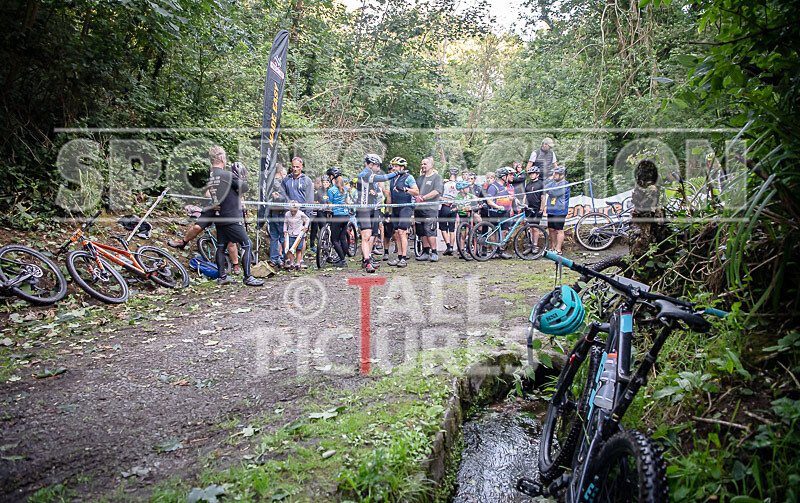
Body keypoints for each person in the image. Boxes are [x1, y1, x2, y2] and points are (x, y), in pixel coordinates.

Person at [205, 146, 263, 286]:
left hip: (219, 216)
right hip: (231, 216)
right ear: (222, 159)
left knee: (221, 245)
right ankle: (248, 276)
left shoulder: (211, 176)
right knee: (247, 244)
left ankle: (222, 276)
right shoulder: (227, 175)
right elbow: (245, 187)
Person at [354, 153, 398, 273]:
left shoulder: (371, 175)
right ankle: (367, 261)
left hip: (374, 208)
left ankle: (367, 258)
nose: (379, 168)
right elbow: (383, 178)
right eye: (377, 165)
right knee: (366, 235)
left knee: (373, 235)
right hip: (364, 209)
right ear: (371, 164)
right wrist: (397, 173)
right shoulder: (364, 174)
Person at [281, 157, 314, 266]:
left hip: (302, 213)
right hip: (289, 213)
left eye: (297, 167)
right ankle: (290, 260)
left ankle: (300, 259)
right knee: (288, 236)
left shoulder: (307, 180)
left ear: (301, 168)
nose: (295, 169)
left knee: (301, 236)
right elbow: (283, 194)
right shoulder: (286, 179)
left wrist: (308, 213)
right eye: (293, 166)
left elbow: (309, 197)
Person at [387, 157, 419, 267]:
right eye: (393, 166)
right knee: (396, 233)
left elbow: (416, 191)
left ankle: (404, 258)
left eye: (396, 166)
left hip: (406, 207)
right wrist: (388, 210)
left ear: (402, 167)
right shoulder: (392, 179)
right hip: (395, 207)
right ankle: (399, 256)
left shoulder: (408, 177)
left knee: (402, 231)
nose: (394, 168)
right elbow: (390, 195)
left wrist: (405, 189)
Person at [414, 157, 444, 262]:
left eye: (425, 164)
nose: (423, 166)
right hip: (418, 209)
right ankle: (425, 252)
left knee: (429, 231)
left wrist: (423, 198)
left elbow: (437, 191)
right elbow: (416, 191)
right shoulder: (419, 178)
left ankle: (434, 252)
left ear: (431, 165)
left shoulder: (437, 177)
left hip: (430, 209)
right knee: (421, 232)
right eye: (422, 164)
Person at [486, 166, 516, 259]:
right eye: (507, 176)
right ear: (503, 177)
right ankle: (494, 250)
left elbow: (506, 197)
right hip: (496, 212)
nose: (508, 177)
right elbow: (489, 201)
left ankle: (501, 250)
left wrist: (514, 199)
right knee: (494, 231)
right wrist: (497, 206)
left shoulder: (503, 187)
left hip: (505, 212)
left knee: (504, 231)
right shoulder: (493, 187)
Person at [325, 166, 351, 268]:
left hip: (337, 216)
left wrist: (327, 210)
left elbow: (330, 206)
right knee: (343, 238)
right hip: (345, 215)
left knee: (334, 239)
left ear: (332, 177)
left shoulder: (332, 190)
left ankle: (343, 260)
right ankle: (342, 258)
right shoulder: (344, 189)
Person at [542, 166, 570, 255]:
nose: (555, 175)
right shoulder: (553, 183)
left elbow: (554, 193)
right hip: (551, 210)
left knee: (559, 230)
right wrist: (550, 181)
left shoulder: (565, 184)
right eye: (555, 173)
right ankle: (553, 247)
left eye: (557, 174)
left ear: (562, 175)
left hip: (560, 211)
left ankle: (558, 249)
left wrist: (548, 189)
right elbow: (544, 186)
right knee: (551, 229)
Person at [267, 164, 288, 267]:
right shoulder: (279, 183)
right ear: (280, 172)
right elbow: (282, 198)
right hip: (280, 213)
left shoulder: (268, 182)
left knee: (274, 237)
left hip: (272, 212)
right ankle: (285, 258)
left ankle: (274, 259)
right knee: (283, 236)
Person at [453, 180, 478, 261]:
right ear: (461, 190)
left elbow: (476, 198)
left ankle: (479, 233)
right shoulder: (458, 197)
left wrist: (480, 202)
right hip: (462, 216)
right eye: (466, 188)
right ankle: (462, 250)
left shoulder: (469, 195)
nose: (468, 189)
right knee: (463, 235)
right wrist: (454, 208)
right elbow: (454, 205)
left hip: (470, 214)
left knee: (478, 218)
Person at [283, 201, 310, 270]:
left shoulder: (300, 214)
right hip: (290, 233)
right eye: (292, 211)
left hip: (299, 234)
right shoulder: (287, 214)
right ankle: (292, 264)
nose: (293, 213)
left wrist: (305, 227)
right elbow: (285, 222)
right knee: (290, 250)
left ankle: (298, 264)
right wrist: (285, 230)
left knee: (298, 250)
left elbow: (307, 219)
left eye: (294, 211)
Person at [438, 167, 459, 256]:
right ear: (457, 175)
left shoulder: (444, 184)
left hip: (445, 206)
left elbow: (439, 195)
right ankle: (451, 246)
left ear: (449, 175)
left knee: (443, 227)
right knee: (452, 228)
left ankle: (448, 246)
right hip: (454, 207)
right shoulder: (458, 185)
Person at [524, 165, 544, 253]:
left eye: (533, 174)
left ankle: (535, 245)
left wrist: (541, 209)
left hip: (536, 208)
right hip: (528, 208)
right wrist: (523, 205)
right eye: (530, 174)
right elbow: (525, 195)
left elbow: (543, 197)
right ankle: (530, 244)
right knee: (529, 227)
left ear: (537, 174)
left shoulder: (540, 184)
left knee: (535, 228)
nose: (531, 175)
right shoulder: (528, 185)